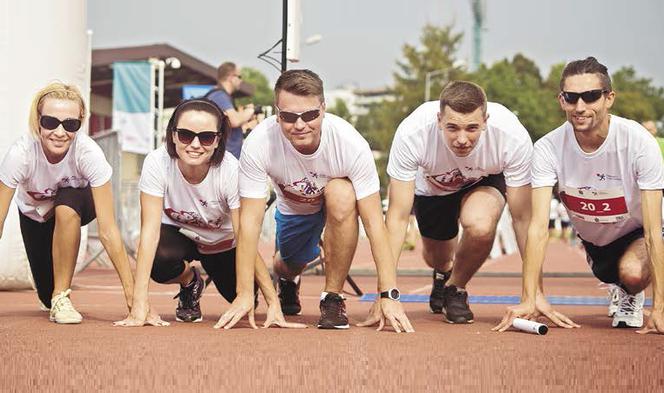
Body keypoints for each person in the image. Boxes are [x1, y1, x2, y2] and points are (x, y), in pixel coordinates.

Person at [214, 69, 413, 332]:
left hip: (336, 201)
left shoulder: (350, 144)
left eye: (309, 115)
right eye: (288, 117)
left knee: (342, 192)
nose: (299, 125)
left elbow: (375, 223)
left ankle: (332, 297)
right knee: (289, 264)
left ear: (323, 109)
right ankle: (287, 279)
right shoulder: (260, 143)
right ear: (277, 113)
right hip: (296, 209)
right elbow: (248, 223)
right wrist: (244, 293)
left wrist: (389, 294)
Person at [495, 57, 664, 334]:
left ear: (609, 98)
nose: (580, 107)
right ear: (561, 100)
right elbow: (537, 228)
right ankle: (616, 280)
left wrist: (660, 308)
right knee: (612, 272)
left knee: (632, 274)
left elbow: (654, 232)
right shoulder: (548, 148)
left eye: (591, 96)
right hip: (597, 242)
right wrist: (530, 296)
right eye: (571, 98)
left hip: (640, 230)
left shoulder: (638, 143)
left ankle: (630, 293)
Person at [114, 98, 304, 329]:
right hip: (179, 236)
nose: (195, 144)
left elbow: (245, 236)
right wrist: (139, 301)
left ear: (217, 140)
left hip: (223, 244)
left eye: (205, 137)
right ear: (173, 135)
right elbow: (149, 233)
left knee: (246, 301)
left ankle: (275, 286)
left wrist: (272, 301)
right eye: (185, 135)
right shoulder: (157, 162)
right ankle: (189, 282)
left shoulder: (230, 171)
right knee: (158, 259)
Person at [385, 81, 533, 324]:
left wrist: (533, 294)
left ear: (486, 120)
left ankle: (455, 288)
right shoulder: (413, 133)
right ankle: (443, 272)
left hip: (483, 180)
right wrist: (386, 293)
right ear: (439, 120)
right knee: (436, 257)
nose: (462, 139)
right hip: (434, 189)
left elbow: (523, 219)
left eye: (472, 128)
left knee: (481, 225)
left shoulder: (511, 136)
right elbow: (397, 217)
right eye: (452, 128)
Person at [0, 82, 136, 324]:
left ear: (80, 123)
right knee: (45, 294)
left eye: (70, 124)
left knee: (66, 199)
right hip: (35, 216)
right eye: (50, 122)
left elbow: (108, 230)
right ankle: (53, 294)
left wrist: (135, 300)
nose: (60, 132)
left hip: (77, 203)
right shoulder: (21, 154)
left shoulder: (88, 154)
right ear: (38, 120)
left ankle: (62, 297)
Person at [205, 62, 257, 159]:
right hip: (225, 159)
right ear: (230, 77)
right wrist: (249, 111)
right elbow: (235, 121)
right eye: (239, 76)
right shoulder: (219, 96)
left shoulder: (220, 95)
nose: (241, 81)